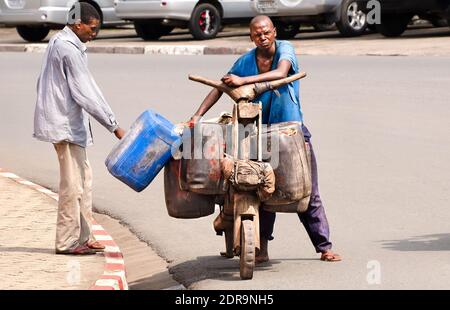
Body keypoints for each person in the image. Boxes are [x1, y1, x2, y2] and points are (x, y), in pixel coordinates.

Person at [189, 15, 341, 263]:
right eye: (257, 34)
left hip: (291, 132)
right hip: (260, 134)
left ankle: (324, 247)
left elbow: (281, 72)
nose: (263, 37)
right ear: (251, 37)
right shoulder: (246, 60)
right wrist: (197, 114)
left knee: (309, 191)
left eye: (267, 32)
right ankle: (260, 248)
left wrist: (244, 82)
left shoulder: (285, 49)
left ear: (274, 32)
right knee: (262, 189)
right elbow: (220, 86)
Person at [33, 2, 125, 255]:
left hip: (71, 125)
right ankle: (66, 242)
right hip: (64, 126)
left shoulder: (65, 43)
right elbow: (86, 94)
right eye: (91, 28)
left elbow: (89, 88)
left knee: (84, 181)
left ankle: (85, 235)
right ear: (77, 24)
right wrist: (114, 126)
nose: (94, 33)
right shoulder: (67, 49)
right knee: (72, 186)